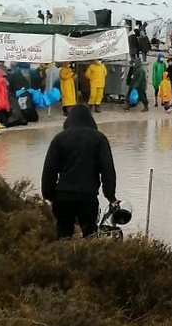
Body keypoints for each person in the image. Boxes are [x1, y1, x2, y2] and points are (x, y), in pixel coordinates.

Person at [41, 102, 118, 239]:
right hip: (88, 197)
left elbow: (49, 171)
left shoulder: (59, 139)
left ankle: (64, 258)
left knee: (63, 235)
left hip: (63, 196)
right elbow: (108, 171)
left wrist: (49, 194)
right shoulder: (99, 139)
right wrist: (110, 196)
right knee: (90, 237)